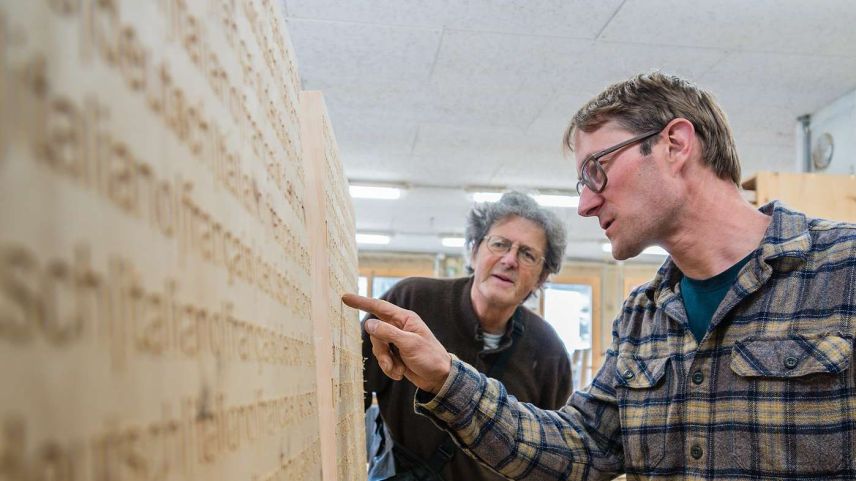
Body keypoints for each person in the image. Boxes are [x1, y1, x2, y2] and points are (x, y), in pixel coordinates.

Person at [345, 71, 856, 480]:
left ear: (675, 144)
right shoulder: (643, 316)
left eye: (596, 170)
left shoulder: (843, 269)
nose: (586, 204)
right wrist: (444, 377)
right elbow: (579, 448)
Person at [363, 191, 573, 481]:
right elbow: (351, 392)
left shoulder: (550, 352)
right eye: (499, 244)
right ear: (474, 251)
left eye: (527, 254)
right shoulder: (411, 303)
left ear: (541, 278)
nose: (510, 260)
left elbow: (553, 455)